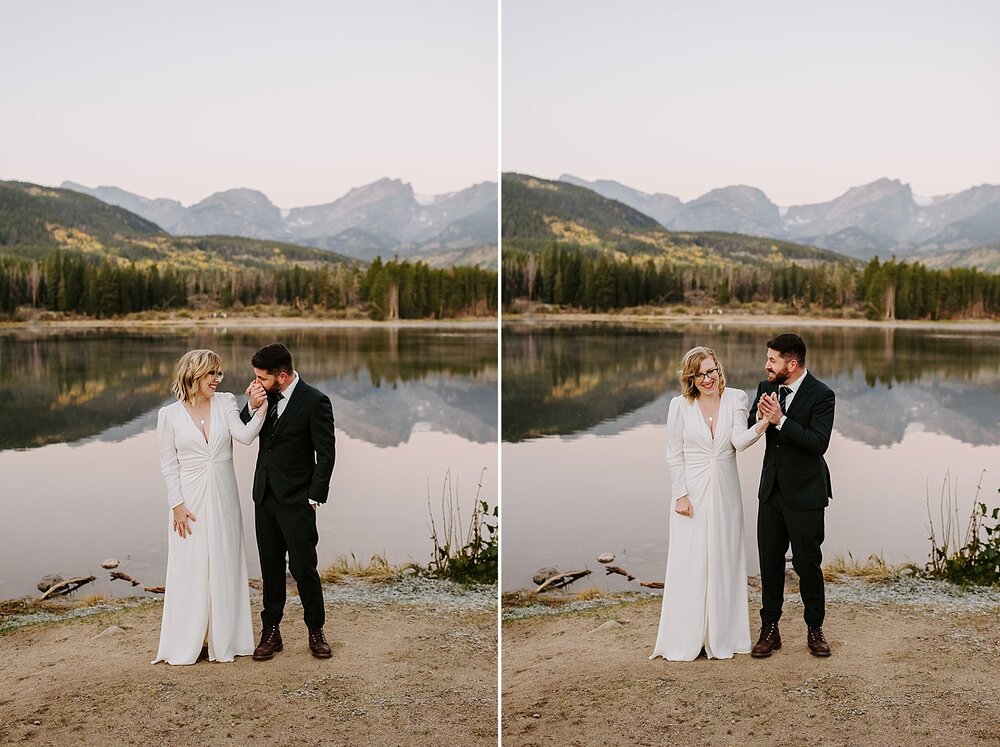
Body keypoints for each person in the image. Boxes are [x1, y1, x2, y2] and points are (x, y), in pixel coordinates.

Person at [650, 346, 768, 661]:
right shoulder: (680, 406)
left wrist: (764, 423)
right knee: (691, 561)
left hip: (726, 493)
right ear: (691, 377)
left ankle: (723, 635)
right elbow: (674, 453)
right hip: (692, 494)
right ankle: (689, 636)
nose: (708, 379)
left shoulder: (736, 399)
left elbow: (739, 442)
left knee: (724, 558)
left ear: (718, 368)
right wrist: (680, 494)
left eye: (711, 370)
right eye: (700, 374)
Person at [153, 349, 268, 665]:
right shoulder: (169, 415)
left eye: (219, 374)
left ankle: (225, 639)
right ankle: (189, 639)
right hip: (188, 500)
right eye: (212, 374)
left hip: (223, 495)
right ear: (194, 374)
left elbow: (243, 437)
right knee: (190, 564)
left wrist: (259, 409)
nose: (218, 380)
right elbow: (168, 465)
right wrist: (176, 504)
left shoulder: (227, 402)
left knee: (224, 559)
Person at [240, 342, 336, 660]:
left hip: (298, 500)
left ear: (281, 376)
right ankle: (271, 632)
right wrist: (252, 405)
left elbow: (326, 454)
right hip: (264, 496)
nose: (256, 383)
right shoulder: (262, 397)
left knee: (303, 567)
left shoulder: (315, 401)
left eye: (261, 378)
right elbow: (241, 428)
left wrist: (314, 497)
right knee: (270, 568)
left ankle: (316, 630)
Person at [748, 333, 835, 658]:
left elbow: (818, 443)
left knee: (807, 564)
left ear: (792, 363)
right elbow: (750, 426)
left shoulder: (822, 395)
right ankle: (770, 629)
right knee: (769, 563)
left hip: (806, 494)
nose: (766, 365)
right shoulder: (765, 388)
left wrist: (781, 420)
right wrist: (759, 419)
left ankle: (815, 629)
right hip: (771, 492)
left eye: (772, 359)